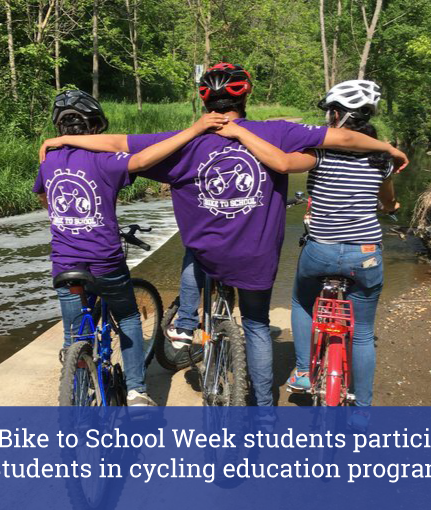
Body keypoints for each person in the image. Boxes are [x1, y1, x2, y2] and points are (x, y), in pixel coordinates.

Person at [39, 65, 408, 407]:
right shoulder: (277, 132)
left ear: (204, 100)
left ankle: (185, 323)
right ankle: (263, 411)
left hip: (206, 254)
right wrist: (387, 148)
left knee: (194, 256)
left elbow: (120, 144)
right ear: (244, 99)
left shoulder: (182, 141)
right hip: (257, 257)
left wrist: (63, 143)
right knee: (257, 325)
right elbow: (342, 138)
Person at [34, 89, 228, 406]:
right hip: (104, 261)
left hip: (65, 262)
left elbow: (44, 198)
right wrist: (194, 130)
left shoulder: (48, 160)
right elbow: (143, 158)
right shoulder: (104, 158)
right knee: (127, 318)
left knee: (75, 333)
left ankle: (77, 380)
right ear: (95, 128)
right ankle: (137, 390)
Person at [219, 80, 399, 411]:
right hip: (366, 253)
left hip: (321, 249)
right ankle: (362, 411)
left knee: (302, 302)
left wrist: (241, 133)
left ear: (337, 115)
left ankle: (303, 371)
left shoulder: (319, 152)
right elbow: (387, 201)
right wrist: (390, 207)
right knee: (362, 334)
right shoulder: (382, 158)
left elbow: (282, 163)